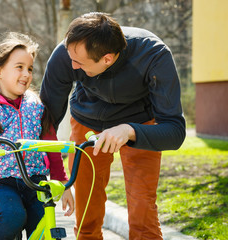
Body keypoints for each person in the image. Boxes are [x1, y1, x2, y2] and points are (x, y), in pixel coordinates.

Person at [40, 12, 186, 240]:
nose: (71, 65)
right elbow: (47, 122)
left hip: (139, 123)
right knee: (87, 210)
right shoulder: (66, 54)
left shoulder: (154, 55)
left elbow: (175, 131)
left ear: (107, 59)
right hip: (86, 120)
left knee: (142, 209)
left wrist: (129, 130)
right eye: (71, 58)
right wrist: (56, 174)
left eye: (79, 63)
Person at [0, 32, 74, 240]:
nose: (26, 73)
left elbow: (50, 144)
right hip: (2, 182)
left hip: (35, 181)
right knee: (14, 216)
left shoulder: (36, 106)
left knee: (43, 224)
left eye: (29, 68)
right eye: (19, 67)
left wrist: (62, 182)